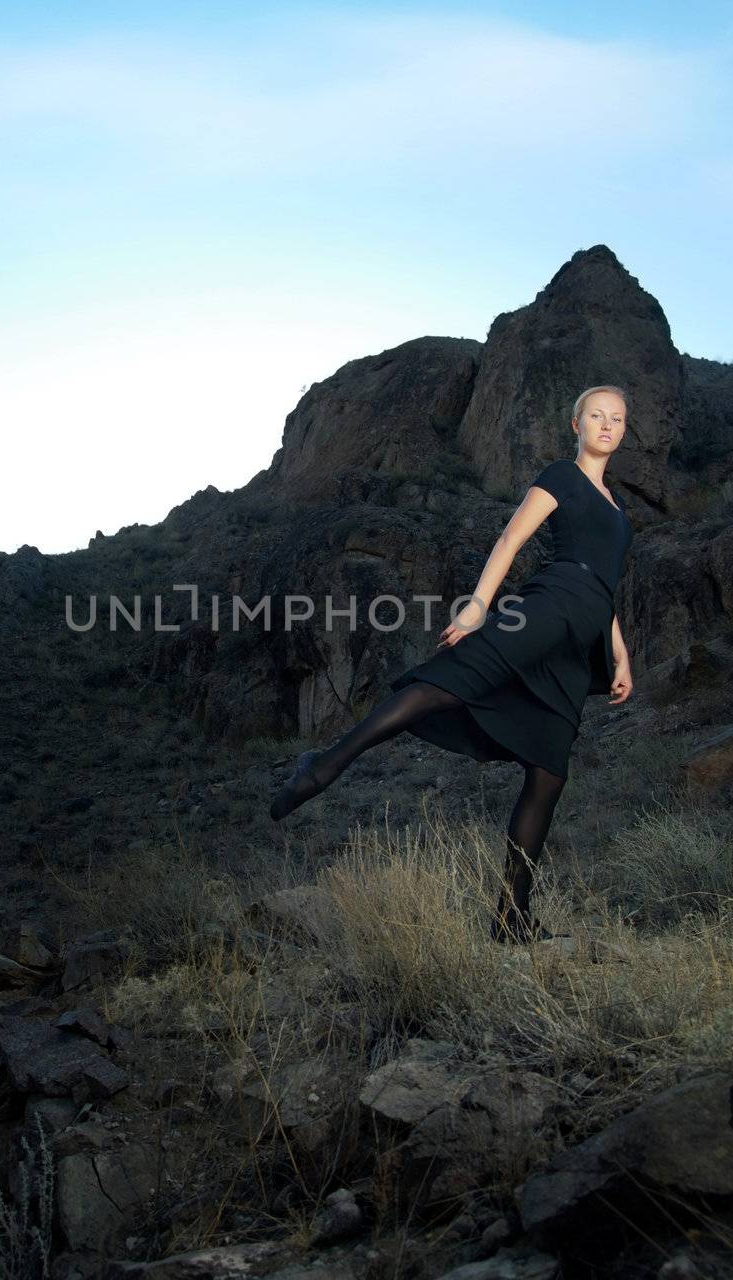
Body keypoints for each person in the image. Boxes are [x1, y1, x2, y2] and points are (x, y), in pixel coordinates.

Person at [269, 386, 635, 942]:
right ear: (576, 423)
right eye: (596, 416)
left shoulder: (619, 510)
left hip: (579, 644)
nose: (606, 425)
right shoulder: (563, 476)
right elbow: (512, 537)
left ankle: (511, 917)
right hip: (548, 605)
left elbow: (606, 588)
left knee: (549, 773)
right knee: (452, 683)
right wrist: (476, 608)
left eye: (616, 418)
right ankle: (324, 764)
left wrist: (620, 654)